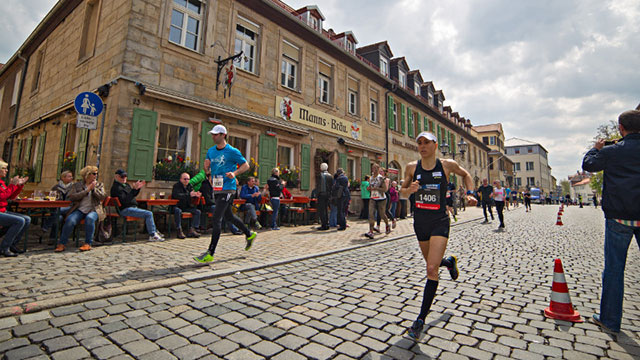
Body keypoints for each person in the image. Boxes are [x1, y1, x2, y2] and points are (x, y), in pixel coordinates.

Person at [400, 132, 477, 338]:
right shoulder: (411, 168)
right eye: (419, 143)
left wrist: (470, 194)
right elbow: (401, 192)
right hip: (420, 222)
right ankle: (449, 262)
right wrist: (410, 190)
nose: (422, 146)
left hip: (440, 221)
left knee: (431, 269)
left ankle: (420, 320)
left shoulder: (446, 165)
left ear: (435, 145)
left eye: (427, 142)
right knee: (432, 263)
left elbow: (466, 175)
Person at [582, 109, 640, 333]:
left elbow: (589, 164)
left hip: (619, 216)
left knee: (615, 269)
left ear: (621, 129)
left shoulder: (613, 151)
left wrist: (596, 148)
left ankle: (610, 319)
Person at [194, 125, 257, 263]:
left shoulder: (232, 151)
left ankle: (210, 253)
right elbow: (207, 165)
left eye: (215, 134)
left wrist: (234, 173)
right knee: (229, 216)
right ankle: (249, 234)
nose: (213, 137)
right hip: (216, 189)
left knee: (216, 218)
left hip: (228, 188)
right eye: (212, 134)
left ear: (223, 135)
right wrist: (207, 170)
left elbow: (246, 165)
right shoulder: (211, 151)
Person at [55, 166, 106, 252]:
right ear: (87, 175)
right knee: (70, 220)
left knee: (89, 219)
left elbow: (103, 196)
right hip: (79, 209)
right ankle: (62, 243)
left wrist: (94, 190)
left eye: (96, 174)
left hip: (94, 209)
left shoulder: (99, 185)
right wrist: (86, 191)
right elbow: (71, 197)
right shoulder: (77, 185)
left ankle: (88, 243)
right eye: (94, 174)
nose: (95, 176)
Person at [110, 169, 165, 242]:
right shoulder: (116, 188)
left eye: (125, 176)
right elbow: (125, 201)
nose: (124, 178)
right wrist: (133, 190)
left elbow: (132, 195)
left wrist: (137, 189)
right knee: (148, 214)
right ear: (116, 177)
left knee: (147, 210)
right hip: (125, 209)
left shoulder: (126, 185)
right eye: (122, 177)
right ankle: (152, 234)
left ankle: (154, 231)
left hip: (132, 207)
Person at [0, 160, 30, 257]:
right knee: (19, 221)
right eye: (4, 168)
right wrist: (13, 185)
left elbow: (11, 197)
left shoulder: (2, 182)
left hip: (3, 211)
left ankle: (12, 244)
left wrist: (19, 185)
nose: (7, 171)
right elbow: (2, 197)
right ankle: (4, 248)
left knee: (27, 219)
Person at [40, 170, 74, 239]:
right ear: (63, 178)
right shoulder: (56, 187)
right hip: (57, 208)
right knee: (58, 218)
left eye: (71, 176)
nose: (71, 178)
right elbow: (51, 197)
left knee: (57, 211)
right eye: (69, 176)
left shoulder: (73, 187)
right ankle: (53, 239)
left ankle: (45, 227)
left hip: (69, 208)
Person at [171, 172, 201, 239]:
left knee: (197, 212)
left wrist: (196, 195)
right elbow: (177, 196)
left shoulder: (189, 186)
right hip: (177, 206)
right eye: (185, 179)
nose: (186, 180)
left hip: (186, 206)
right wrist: (189, 195)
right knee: (177, 211)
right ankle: (179, 230)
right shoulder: (176, 186)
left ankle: (192, 229)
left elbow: (192, 195)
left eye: (188, 179)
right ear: (181, 179)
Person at [365, 163, 389, 239]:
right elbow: (371, 187)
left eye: (376, 168)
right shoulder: (371, 178)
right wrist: (369, 188)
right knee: (371, 214)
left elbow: (385, 189)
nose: (374, 170)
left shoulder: (381, 178)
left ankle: (387, 225)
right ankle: (371, 231)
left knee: (382, 214)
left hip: (381, 199)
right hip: (373, 198)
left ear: (378, 169)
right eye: (373, 168)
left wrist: (377, 188)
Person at [315, 163, 333, 230]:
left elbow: (319, 186)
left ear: (321, 168)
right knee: (326, 209)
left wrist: (317, 195)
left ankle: (324, 224)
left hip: (322, 194)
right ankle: (327, 223)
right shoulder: (330, 176)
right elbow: (331, 186)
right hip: (328, 194)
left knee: (322, 210)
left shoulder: (320, 175)